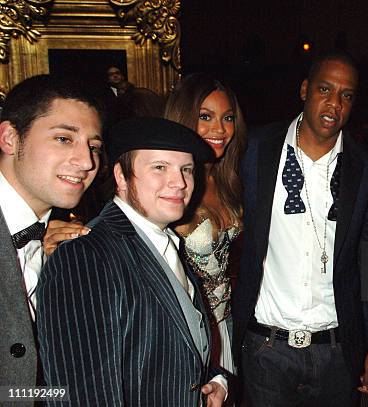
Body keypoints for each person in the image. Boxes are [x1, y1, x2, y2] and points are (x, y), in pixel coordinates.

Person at [233, 52, 368, 406]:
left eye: (347, 95)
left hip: (337, 352)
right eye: (325, 89)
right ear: (305, 89)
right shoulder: (256, 148)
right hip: (265, 348)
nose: (334, 103)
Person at [37, 117, 228, 406]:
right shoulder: (86, 257)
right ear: (121, 177)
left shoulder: (162, 238)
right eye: (160, 167)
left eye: (186, 169)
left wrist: (214, 378)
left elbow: (170, 339)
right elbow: (83, 396)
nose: (179, 182)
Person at [0, 75, 102, 393]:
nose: (86, 162)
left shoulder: (66, 243)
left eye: (94, 147)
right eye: (63, 139)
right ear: (9, 138)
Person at [165, 74, 247, 376]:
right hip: (187, 331)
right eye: (205, 117)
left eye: (227, 118)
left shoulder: (229, 179)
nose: (219, 129)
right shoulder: (170, 184)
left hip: (229, 326)